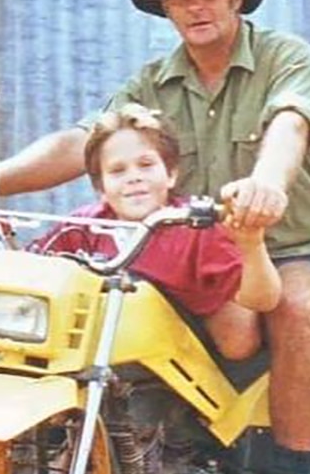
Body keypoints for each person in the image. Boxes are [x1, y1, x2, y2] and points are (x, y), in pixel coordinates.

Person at [0, 0, 310, 474]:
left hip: (284, 245)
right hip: (183, 245)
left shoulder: (283, 56)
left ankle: (291, 464)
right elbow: (85, 141)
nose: (195, 5)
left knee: (295, 310)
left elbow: (290, 125)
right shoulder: (153, 82)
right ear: (167, 9)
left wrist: (266, 185)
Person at [34, 103, 281, 360]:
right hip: (105, 351)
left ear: (171, 174)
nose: (134, 177)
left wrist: (251, 243)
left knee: (237, 343)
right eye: (118, 171)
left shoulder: (195, 226)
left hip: (183, 354)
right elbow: (29, 269)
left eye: (146, 164)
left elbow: (263, 300)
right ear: (101, 188)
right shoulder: (83, 226)